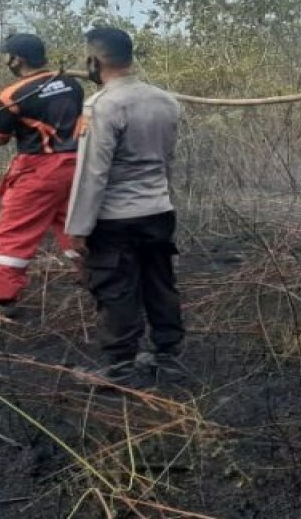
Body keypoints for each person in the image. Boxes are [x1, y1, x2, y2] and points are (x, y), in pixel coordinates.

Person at [65, 27, 185, 388]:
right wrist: (164, 200)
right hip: (159, 212)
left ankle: (119, 370)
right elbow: (167, 160)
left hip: (116, 219)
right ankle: (168, 357)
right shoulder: (166, 101)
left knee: (115, 288)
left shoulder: (101, 105)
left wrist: (78, 227)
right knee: (159, 284)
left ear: (93, 61)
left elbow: (92, 172)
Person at [0, 33, 84, 316]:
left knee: (14, 232)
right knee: (74, 225)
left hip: (39, 172)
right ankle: (96, 277)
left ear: (17, 59)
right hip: (76, 166)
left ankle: (2, 299)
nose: (7, 60)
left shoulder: (13, 95)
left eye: (8, 56)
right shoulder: (70, 84)